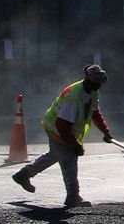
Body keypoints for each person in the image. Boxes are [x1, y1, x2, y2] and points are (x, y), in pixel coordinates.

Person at [12, 65, 112, 208]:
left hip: (63, 128)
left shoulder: (93, 91)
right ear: (87, 79)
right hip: (57, 129)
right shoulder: (74, 97)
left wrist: (105, 131)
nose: (98, 86)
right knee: (69, 159)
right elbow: (62, 125)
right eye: (96, 83)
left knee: (56, 154)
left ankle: (24, 174)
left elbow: (95, 113)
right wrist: (75, 145)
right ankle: (73, 196)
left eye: (100, 83)